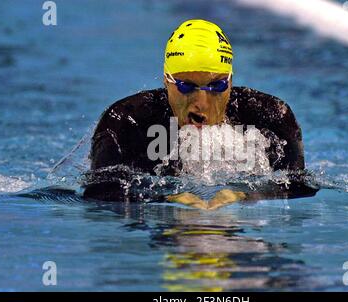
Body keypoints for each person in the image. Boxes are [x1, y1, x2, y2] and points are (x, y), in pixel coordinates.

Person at [82, 19, 317, 207]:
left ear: (231, 81)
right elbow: (100, 193)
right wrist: (166, 199)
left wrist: (246, 195)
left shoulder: (271, 117)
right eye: (185, 87)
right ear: (167, 81)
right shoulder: (126, 121)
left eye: (216, 87)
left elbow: (299, 186)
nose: (200, 107)